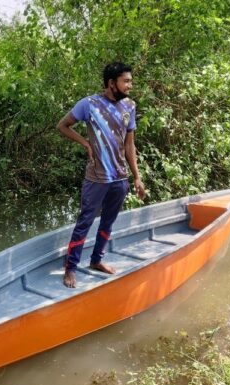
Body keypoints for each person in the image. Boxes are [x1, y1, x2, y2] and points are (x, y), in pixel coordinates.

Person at [57, 62, 146, 288]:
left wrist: (136, 177)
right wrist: (85, 142)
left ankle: (96, 260)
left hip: (119, 179)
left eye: (130, 81)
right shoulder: (89, 104)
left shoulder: (130, 106)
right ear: (111, 83)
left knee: (108, 221)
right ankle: (70, 269)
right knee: (84, 222)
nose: (130, 85)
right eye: (126, 81)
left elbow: (130, 146)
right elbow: (63, 126)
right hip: (96, 178)